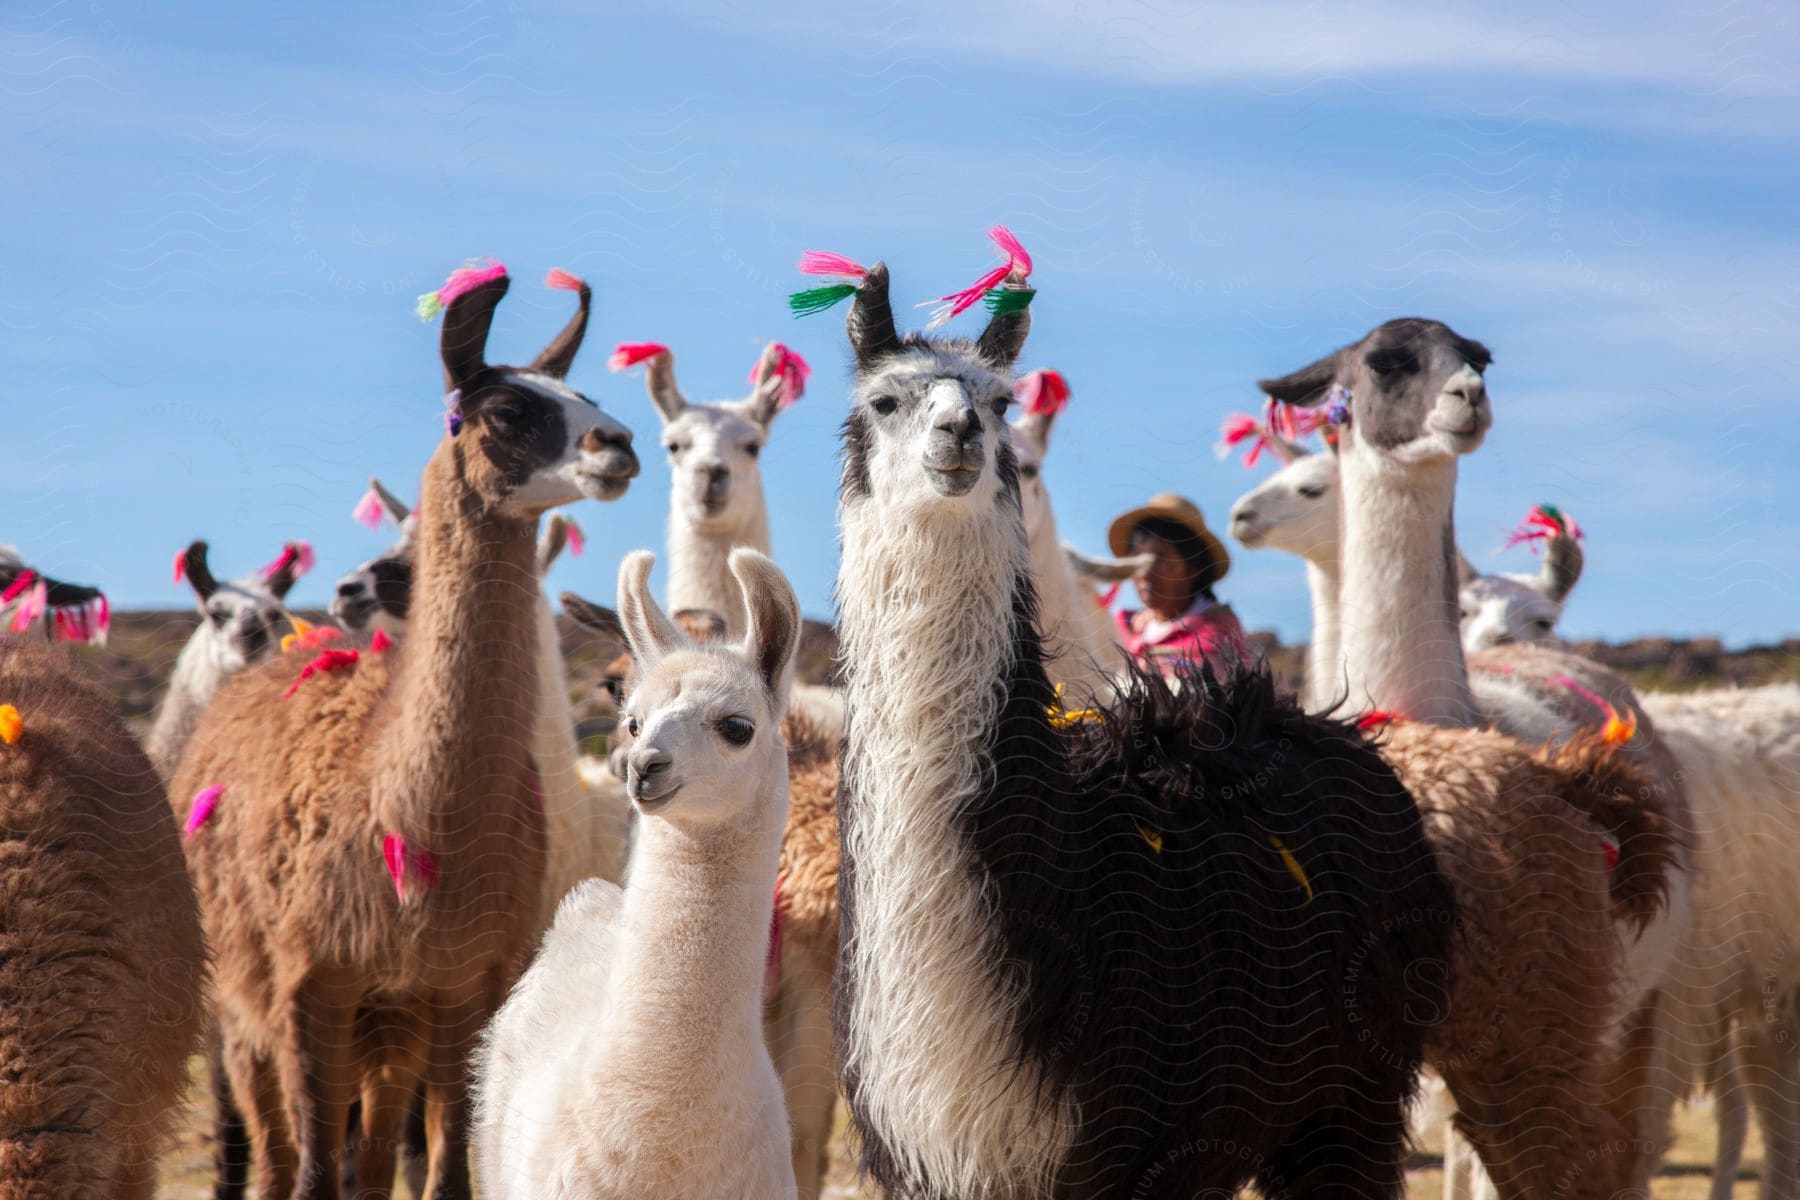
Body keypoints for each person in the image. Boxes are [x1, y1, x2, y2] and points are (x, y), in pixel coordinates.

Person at [1106, 493, 1250, 676]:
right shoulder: (1125, 630)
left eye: (1160, 557)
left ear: (1193, 568)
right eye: (1136, 558)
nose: (1144, 571)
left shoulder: (1217, 635)